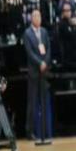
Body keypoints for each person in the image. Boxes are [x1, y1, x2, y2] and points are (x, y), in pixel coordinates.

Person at [23, 9, 51, 140]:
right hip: (34, 71)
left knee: (44, 101)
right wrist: (40, 63)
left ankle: (44, 131)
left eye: (39, 16)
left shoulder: (44, 32)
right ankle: (30, 131)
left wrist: (45, 62)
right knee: (32, 102)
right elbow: (29, 52)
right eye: (35, 16)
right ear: (31, 18)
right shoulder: (27, 33)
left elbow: (48, 48)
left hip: (44, 71)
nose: (38, 18)